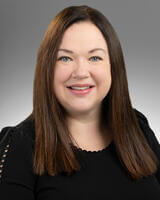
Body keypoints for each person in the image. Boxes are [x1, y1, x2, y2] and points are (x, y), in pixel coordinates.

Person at [0, 5, 160, 200]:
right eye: (65, 58)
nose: (81, 72)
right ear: (47, 68)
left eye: (95, 57)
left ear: (113, 67)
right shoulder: (19, 145)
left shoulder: (137, 128)